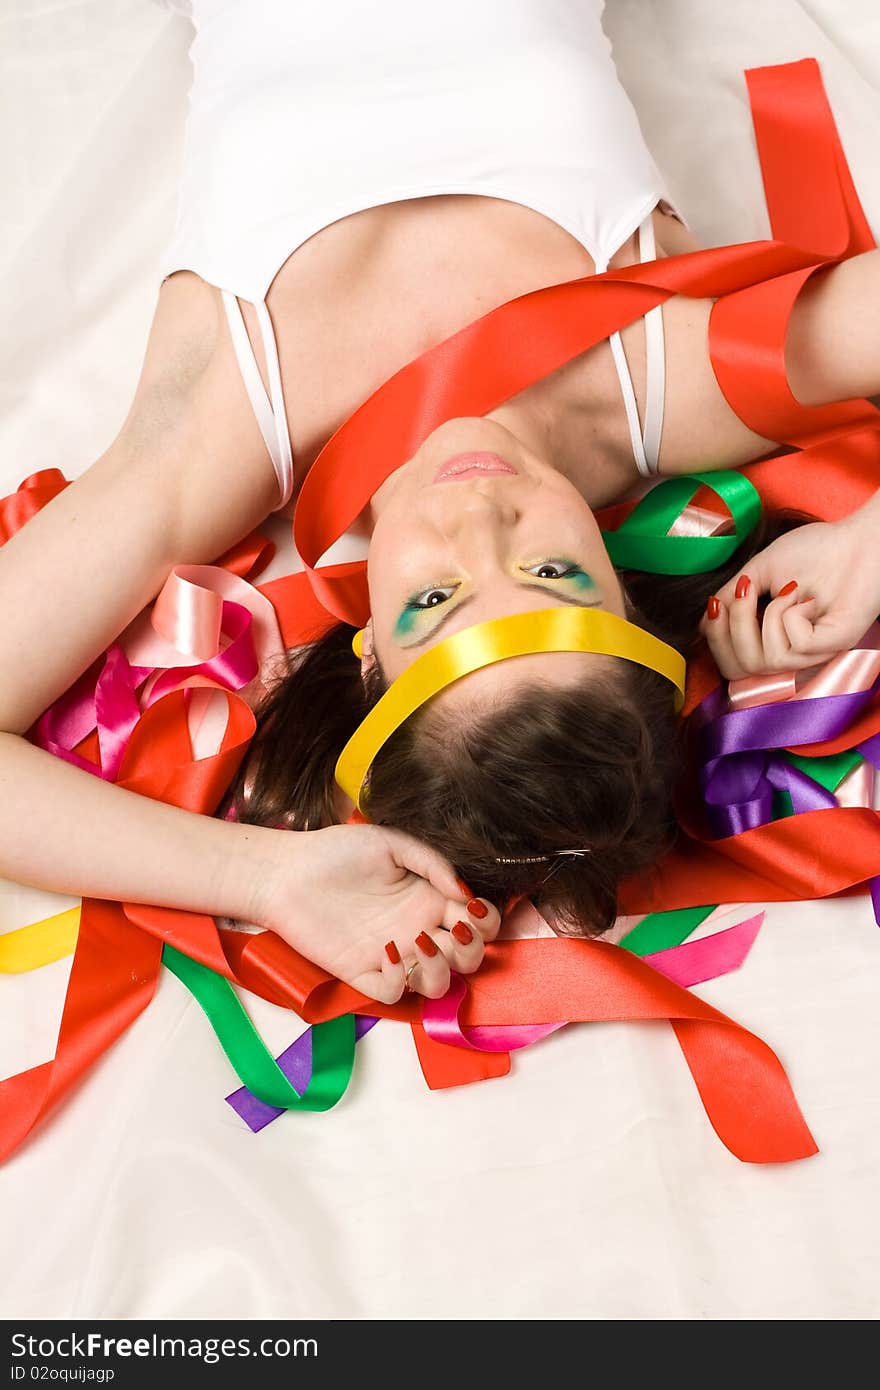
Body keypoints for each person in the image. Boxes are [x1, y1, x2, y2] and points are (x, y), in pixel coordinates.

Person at [1, 0, 878, 1006]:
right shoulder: (666, 380)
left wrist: (264, 876)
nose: (480, 519)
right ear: (629, 600)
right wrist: (865, 548)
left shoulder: (220, 435)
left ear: (366, 646)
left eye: (433, 601)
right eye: (553, 572)